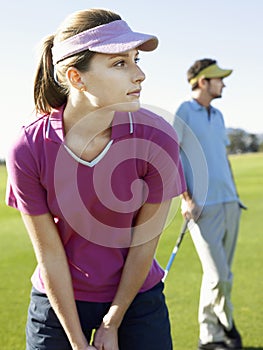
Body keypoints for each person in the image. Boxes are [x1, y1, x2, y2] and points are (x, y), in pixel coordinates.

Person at [5, 8, 186, 350]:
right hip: (57, 302)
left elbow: (144, 244)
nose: (140, 74)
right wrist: (77, 341)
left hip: (136, 299)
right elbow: (50, 256)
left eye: (136, 59)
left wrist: (111, 322)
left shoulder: (158, 137)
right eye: (120, 63)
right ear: (76, 78)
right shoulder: (27, 148)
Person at [173, 59, 245, 350]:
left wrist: (235, 195)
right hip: (202, 207)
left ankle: (209, 337)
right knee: (219, 276)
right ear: (203, 82)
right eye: (219, 79)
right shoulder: (183, 111)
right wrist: (186, 198)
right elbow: (172, 157)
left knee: (220, 275)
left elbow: (222, 158)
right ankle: (228, 324)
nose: (223, 84)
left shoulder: (219, 115)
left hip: (229, 203)